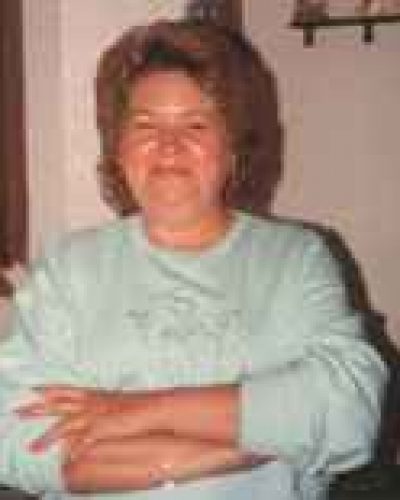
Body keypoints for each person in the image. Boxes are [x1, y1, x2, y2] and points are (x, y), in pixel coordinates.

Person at [0, 20, 387, 500]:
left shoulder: (296, 258)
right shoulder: (68, 268)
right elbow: (16, 443)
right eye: (145, 125)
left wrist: (131, 412)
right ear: (118, 148)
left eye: (196, 125)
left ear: (233, 148)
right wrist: (255, 441)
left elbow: (349, 415)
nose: (169, 145)